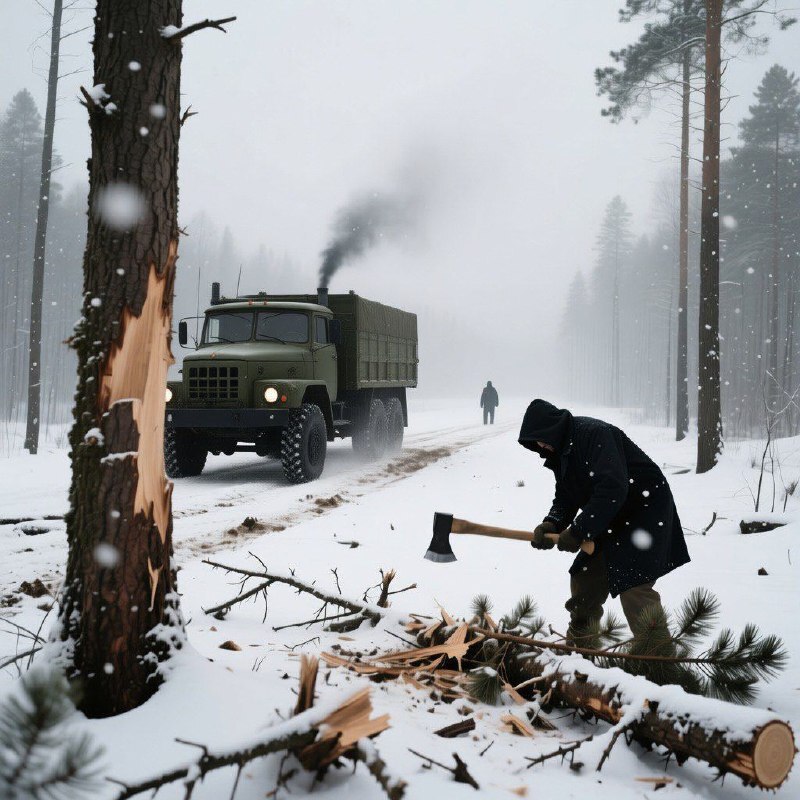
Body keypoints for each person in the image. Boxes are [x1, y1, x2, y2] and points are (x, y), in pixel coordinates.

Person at [518, 399, 689, 645]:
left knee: (634, 586)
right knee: (585, 577)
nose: (541, 446)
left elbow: (613, 488)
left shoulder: (594, 434)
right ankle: (581, 650)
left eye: (542, 440)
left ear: (553, 429)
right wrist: (552, 524)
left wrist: (578, 530)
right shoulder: (561, 452)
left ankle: (660, 662)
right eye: (536, 444)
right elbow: (566, 496)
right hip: (608, 516)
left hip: (643, 511)